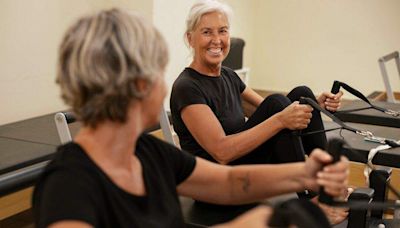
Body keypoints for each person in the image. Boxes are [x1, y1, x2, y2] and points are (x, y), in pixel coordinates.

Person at [32, 8, 349, 228]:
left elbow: (226, 183)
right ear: (138, 85)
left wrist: (308, 174)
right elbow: (223, 156)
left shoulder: (147, 153)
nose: (164, 83)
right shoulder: (68, 186)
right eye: (159, 71)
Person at [169, 0, 347, 224]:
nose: (216, 40)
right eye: (206, 32)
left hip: (241, 168)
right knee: (278, 107)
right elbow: (221, 151)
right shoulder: (187, 87)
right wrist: (282, 119)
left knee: (303, 95)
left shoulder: (228, 76)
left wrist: (312, 105)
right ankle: (311, 200)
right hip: (217, 185)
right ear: (190, 38)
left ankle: (326, 185)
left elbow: (273, 108)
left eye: (222, 31)